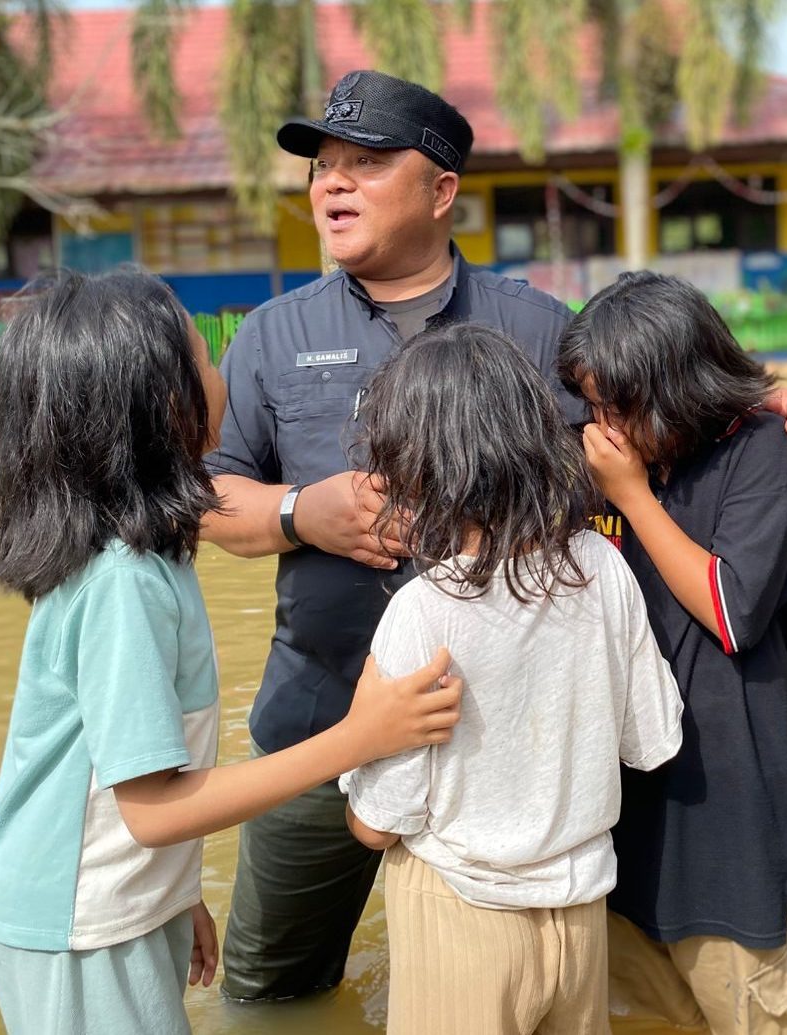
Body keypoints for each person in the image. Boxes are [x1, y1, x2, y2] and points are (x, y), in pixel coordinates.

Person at [202, 68, 787, 1003]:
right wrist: (300, 512)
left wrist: (761, 402)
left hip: (517, 752)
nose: (331, 185)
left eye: (365, 164)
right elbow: (206, 501)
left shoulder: (538, 331)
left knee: (522, 985)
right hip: (321, 724)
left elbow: (656, 406)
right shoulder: (269, 336)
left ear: (442, 190)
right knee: (268, 992)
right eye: (323, 166)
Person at [0, 269, 462, 1035]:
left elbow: (129, 775)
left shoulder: (143, 550)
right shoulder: (124, 584)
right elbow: (153, 809)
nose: (222, 371)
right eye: (206, 358)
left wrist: (174, 894)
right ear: (161, 405)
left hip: (111, 901)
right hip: (81, 923)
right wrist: (360, 738)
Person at [338, 323, 684, 1034]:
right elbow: (652, 739)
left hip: (461, 914)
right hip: (581, 915)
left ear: (421, 468)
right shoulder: (601, 565)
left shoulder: (422, 610)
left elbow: (376, 824)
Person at [558, 271, 787, 1034]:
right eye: (592, 403)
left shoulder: (760, 452)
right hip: (622, 807)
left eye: (620, 405)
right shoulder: (604, 452)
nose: (602, 424)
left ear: (681, 389)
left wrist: (632, 495)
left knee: (751, 1007)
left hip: (728, 809)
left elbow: (733, 612)